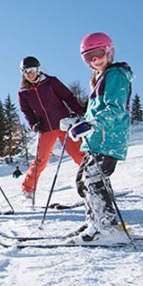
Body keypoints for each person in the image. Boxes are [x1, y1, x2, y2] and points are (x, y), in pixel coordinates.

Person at [64, 32, 135, 242]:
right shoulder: (98, 78)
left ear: (109, 51)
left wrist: (92, 124)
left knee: (94, 179)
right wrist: (77, 122)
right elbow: (93, 112)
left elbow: (115, 109)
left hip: (109, 139)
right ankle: (94, 221)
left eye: (99, 54)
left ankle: (107, 227)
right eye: (89, 57)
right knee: (82, 182)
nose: (95, 60)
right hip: (95, 141)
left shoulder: (116, 75)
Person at [17, 56, 86, 203]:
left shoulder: (51, 82)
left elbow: (68, 97)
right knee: (40, 160)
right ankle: (27, 189)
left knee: (78, 154)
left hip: (64, 124)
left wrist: (80, 111)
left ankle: (95, 182)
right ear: (22, 72)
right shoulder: (23, 92)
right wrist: (34, 124)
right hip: (46, 128)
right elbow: (27, 112)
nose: (30, 74)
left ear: (38, 69)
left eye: (33, 70)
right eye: (26, 71)